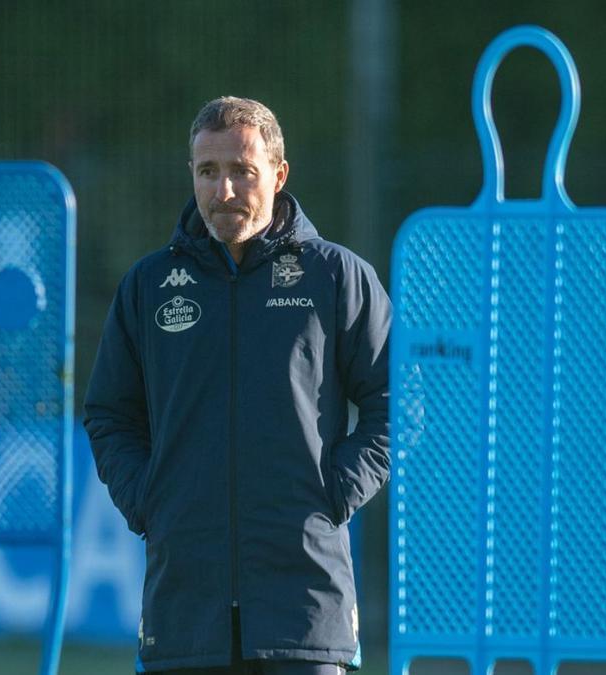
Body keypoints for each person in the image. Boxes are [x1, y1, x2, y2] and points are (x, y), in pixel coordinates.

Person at [84, 96, 391, 674]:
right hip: (185, 612)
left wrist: (336, 491)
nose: (223, 191)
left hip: (306, 606)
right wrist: (150, 500)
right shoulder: (148, 286)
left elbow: (399, 402)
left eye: (242, 171)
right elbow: (109, 416)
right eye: (208, 171)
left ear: (278, 174)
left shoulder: (337, 276)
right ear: (192, 175)